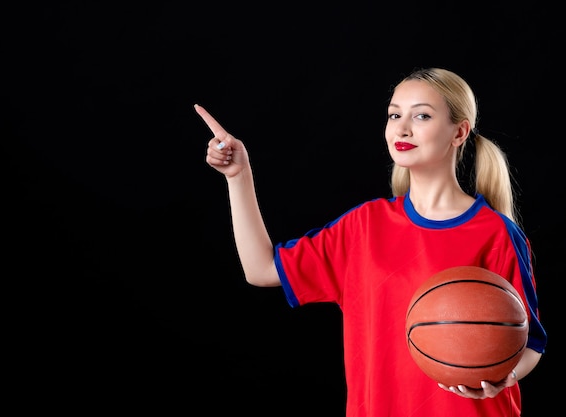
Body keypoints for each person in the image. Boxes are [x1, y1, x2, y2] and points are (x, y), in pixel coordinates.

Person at [195, 67, 547, 416]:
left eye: (422, 115)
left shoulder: (496, 233)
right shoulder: (364, 226)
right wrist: (238, 177)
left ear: (459, 132)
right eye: (395, 114)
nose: (402, 128)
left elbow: (530, 341)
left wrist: (505, 375)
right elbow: (261, 269)